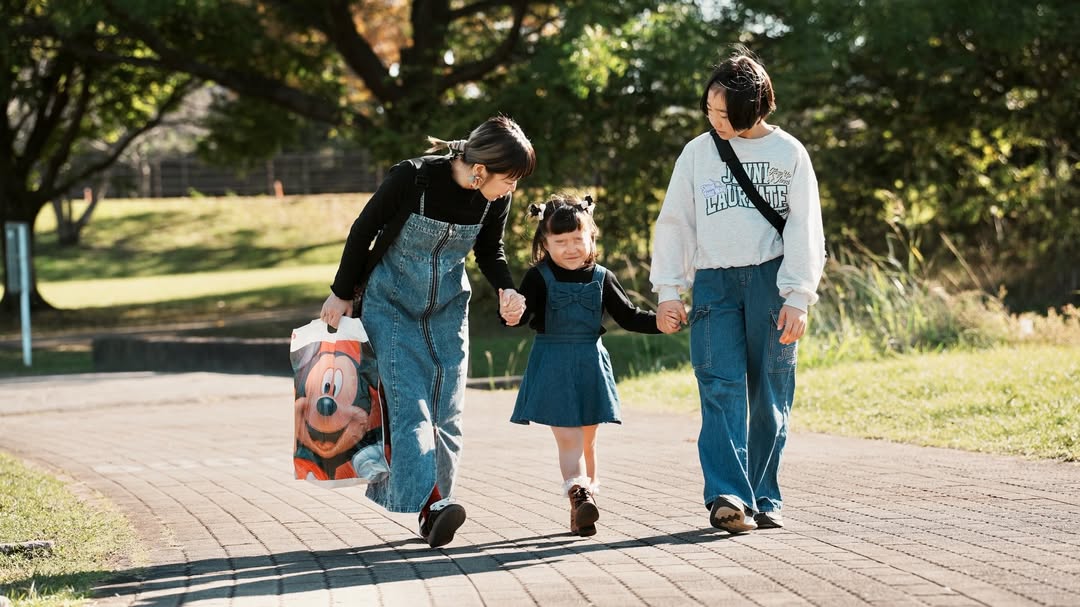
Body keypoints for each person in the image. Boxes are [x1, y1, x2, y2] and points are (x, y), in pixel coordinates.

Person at [320, 115, 535, 548]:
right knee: (410, 408)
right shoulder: (413, 178)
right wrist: (341, 293)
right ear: (480, 170)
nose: (512, 188)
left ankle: (433, 509)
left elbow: (489, 250)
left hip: (448, 311)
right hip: (391, 306)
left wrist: (507, 289)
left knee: (447, 412)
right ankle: (432, 502)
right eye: (509, 178)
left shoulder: (493, 198)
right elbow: (363, 230)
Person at [649, 47, 826, 534]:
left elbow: (805, 229)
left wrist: (798, 297)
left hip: (772, 282)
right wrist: (668, 289)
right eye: (709, 109)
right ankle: (728, 496)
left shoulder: (789, 153)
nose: (714, 119)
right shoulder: (697, 153)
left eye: (724, 113)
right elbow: (675, 224)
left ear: (755, 108)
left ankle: (763, 496)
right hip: (714, 283)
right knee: (720, 385)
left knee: (770, 392)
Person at [503, 194, 664, 536]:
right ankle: (579, 493)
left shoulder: (603, 277)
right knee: (569, 439)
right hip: (553, 363)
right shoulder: (538, 277)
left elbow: (630, 317)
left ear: (591, 236)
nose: (570, 248)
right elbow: (521, 315)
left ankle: (582, 510)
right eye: (560, 242)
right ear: (544, 244)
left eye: (578, 239)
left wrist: (661, 322)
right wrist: (511, 313)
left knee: (588, 441)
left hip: (590, 362)